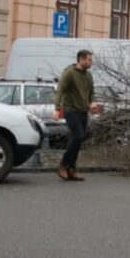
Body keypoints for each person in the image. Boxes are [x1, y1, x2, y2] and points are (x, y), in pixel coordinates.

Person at [55, 49, 99, 182]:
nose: (91, 62)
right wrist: (57, 108)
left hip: (83, 111)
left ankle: (71, 169)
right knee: (78, 136)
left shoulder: (88, 75)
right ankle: (63, 165)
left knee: (79, 139)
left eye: (91, 60)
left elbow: (91, 92)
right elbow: (60, 90)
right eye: (89, 60)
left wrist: (93, 102)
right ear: (81, 59)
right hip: (70, 110)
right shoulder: (69, 73)